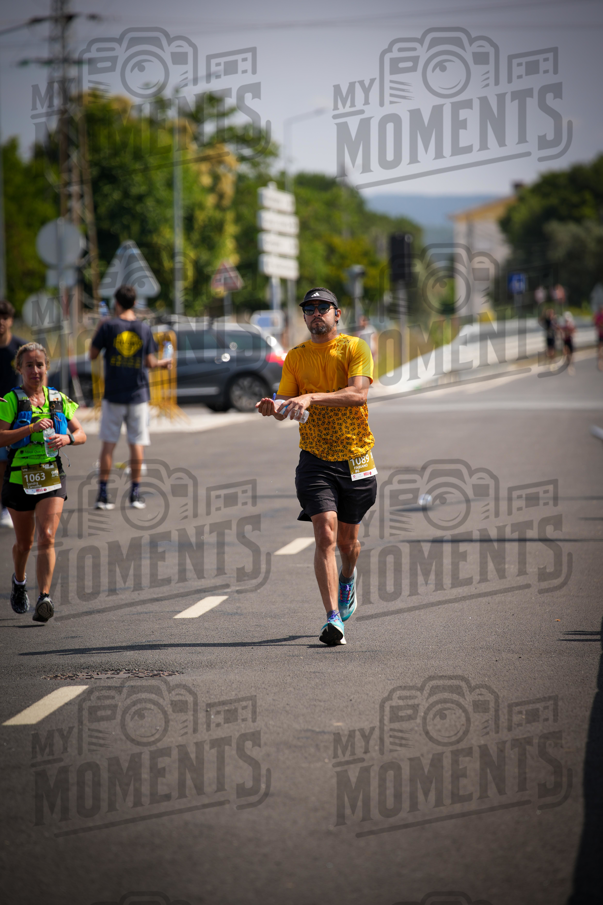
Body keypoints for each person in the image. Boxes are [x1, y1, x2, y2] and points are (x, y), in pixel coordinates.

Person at [256, 287, 377, 647]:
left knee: (348, 543)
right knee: (325, 533)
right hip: (315, 458)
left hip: (356, 457)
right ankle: (332, 619)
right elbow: (287, 404)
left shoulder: (355, 348)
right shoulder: (295, 357)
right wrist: (273, 409)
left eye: (323, 307)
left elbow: (358, 394)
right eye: (309, 308)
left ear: (337, 314)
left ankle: (349, 577)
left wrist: (310, 396)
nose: (315, 313)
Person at [0, 342, 86, 621]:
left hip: (51, 474)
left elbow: (81, 432)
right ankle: (20, 581)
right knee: (24, 544)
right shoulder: (9, 401)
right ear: (19, 369)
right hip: (19, 478)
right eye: (29, 365)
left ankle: (44, 598)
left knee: (47, 537)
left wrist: (68, 438)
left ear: (47, 367)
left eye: (40, 365)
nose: (35, 370)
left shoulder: (58, 398)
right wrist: (30, 428)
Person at [89, 284, 172, 510]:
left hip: (113, 394)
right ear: (135, 303)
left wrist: (99, 328)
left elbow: (92, 354)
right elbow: (150, 362)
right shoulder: (143, 329)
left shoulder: (108, 326)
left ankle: (103, 494)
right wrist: (164, 363)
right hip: (138, 395)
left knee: (108, 445)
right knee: (137, 444)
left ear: (116, 303)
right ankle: (135, 494)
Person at [0, 300, 26, 528]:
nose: (0, 321)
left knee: (14, 462)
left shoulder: (20, 347)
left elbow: (37, 376)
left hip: (18, 415)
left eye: (4, 317)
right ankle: (4, 506)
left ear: (10, 320)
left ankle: (18, 504)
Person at [593, 305, 603, 371]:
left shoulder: (599, 316)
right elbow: (596, 323)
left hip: (600, 335)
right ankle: (600, 363)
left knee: (600, 350)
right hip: (600, 335)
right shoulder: (598, 316)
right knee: (600, 350)